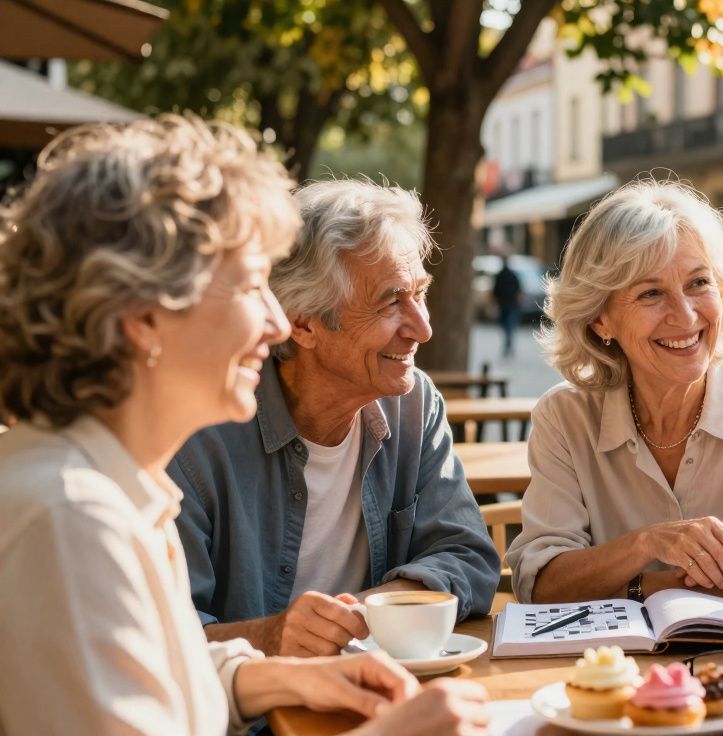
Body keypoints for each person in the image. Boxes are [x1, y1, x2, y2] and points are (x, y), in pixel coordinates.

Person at [0, 116, 489, 734]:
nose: (277, 323)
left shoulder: (108, 484)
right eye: (250, 285)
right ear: (143, 316)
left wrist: (272, 675)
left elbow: (161, 678)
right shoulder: (71, 520)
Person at [166, 179, 500, 657]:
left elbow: (468, 556)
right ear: (302, 324)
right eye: (391, 301)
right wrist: (273, 637)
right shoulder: (200, 433)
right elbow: (165, 640)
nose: (422, 328)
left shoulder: (412, 403)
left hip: (374, 696)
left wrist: (365, 613)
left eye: (419, 293)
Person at [505, 179, 723, 613]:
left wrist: (644, 587)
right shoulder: (565, 416)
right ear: (600, 320)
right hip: (601, 672)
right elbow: (543, 583)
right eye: (651, 293)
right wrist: (648, 542)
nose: (686, 315)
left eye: (699, 283)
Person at [493, 252, 523, 357]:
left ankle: (508, 343)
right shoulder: (509, 275)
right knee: (508, 324)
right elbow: (518, 290)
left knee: (507, 324)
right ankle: (508, 342)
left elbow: (495, 290)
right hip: (509, 303)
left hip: (505, 303)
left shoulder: (502, 275)